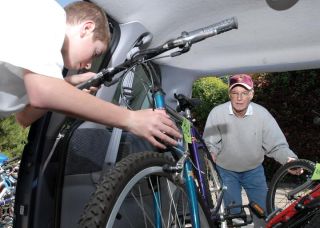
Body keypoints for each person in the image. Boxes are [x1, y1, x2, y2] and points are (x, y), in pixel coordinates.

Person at [0, 1, 181, 149]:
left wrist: (68, 84)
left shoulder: (28, 61)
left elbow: (23, 117)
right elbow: (44, 94)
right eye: (95, 53)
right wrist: (131, 119)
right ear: (87, 28)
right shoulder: (50, 13)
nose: (88, 65)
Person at [203, 74, 297, 216]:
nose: (239, 98)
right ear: (229, 94)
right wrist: (210, 153)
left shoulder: (262, 115)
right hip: (226, 171)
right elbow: (210, 143)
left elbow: (276, 145)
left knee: (265, 214)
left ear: (251, 94)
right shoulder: (217, 113)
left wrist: (289, 160)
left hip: (254, 171)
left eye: (244, 93)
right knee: (232, 215)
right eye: (235, 93)